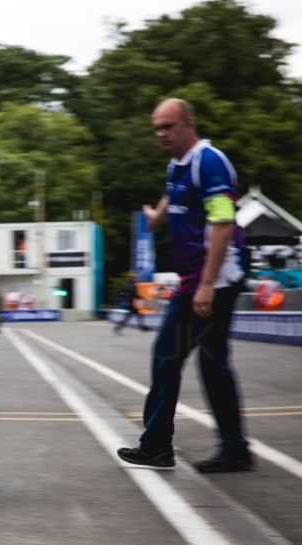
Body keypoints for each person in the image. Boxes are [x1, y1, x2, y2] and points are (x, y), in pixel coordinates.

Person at [117, 98, 252, 473]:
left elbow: (223, 223)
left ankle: (158, 445)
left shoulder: (210, 162)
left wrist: (208, 285)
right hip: (196, 277)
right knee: (211, 363)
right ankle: (234, 448)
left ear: (189, 124)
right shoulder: (178, 164)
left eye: (168, 127)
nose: (161, 134)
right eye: (157, 128)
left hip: (215, 278)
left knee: (168, 356)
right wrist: (157, 216)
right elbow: (173, 193)